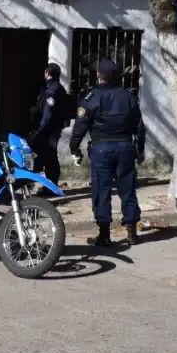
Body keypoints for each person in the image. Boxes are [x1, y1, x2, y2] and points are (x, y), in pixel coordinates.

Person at [68, 59, 142, 247]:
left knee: (101, 190)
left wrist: (74, 147)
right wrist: (140, 149)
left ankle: (104, 235)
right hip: (125, 147)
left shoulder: (91, 97)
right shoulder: (128, 96)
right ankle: (132, 233)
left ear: (99, 75)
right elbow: (139, 126)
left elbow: (80, 126)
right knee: (128, 188)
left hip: (101, 148)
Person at [29, 62, 71, 190]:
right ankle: (49, 184)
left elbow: (48, 113)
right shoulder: (55, 87)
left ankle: (51, 186)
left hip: (50, 129)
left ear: (48, 73)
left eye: (45, 72)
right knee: (46, 155)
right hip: (52, 128)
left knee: (50, 155)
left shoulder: (53, 89)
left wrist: (40, 129)